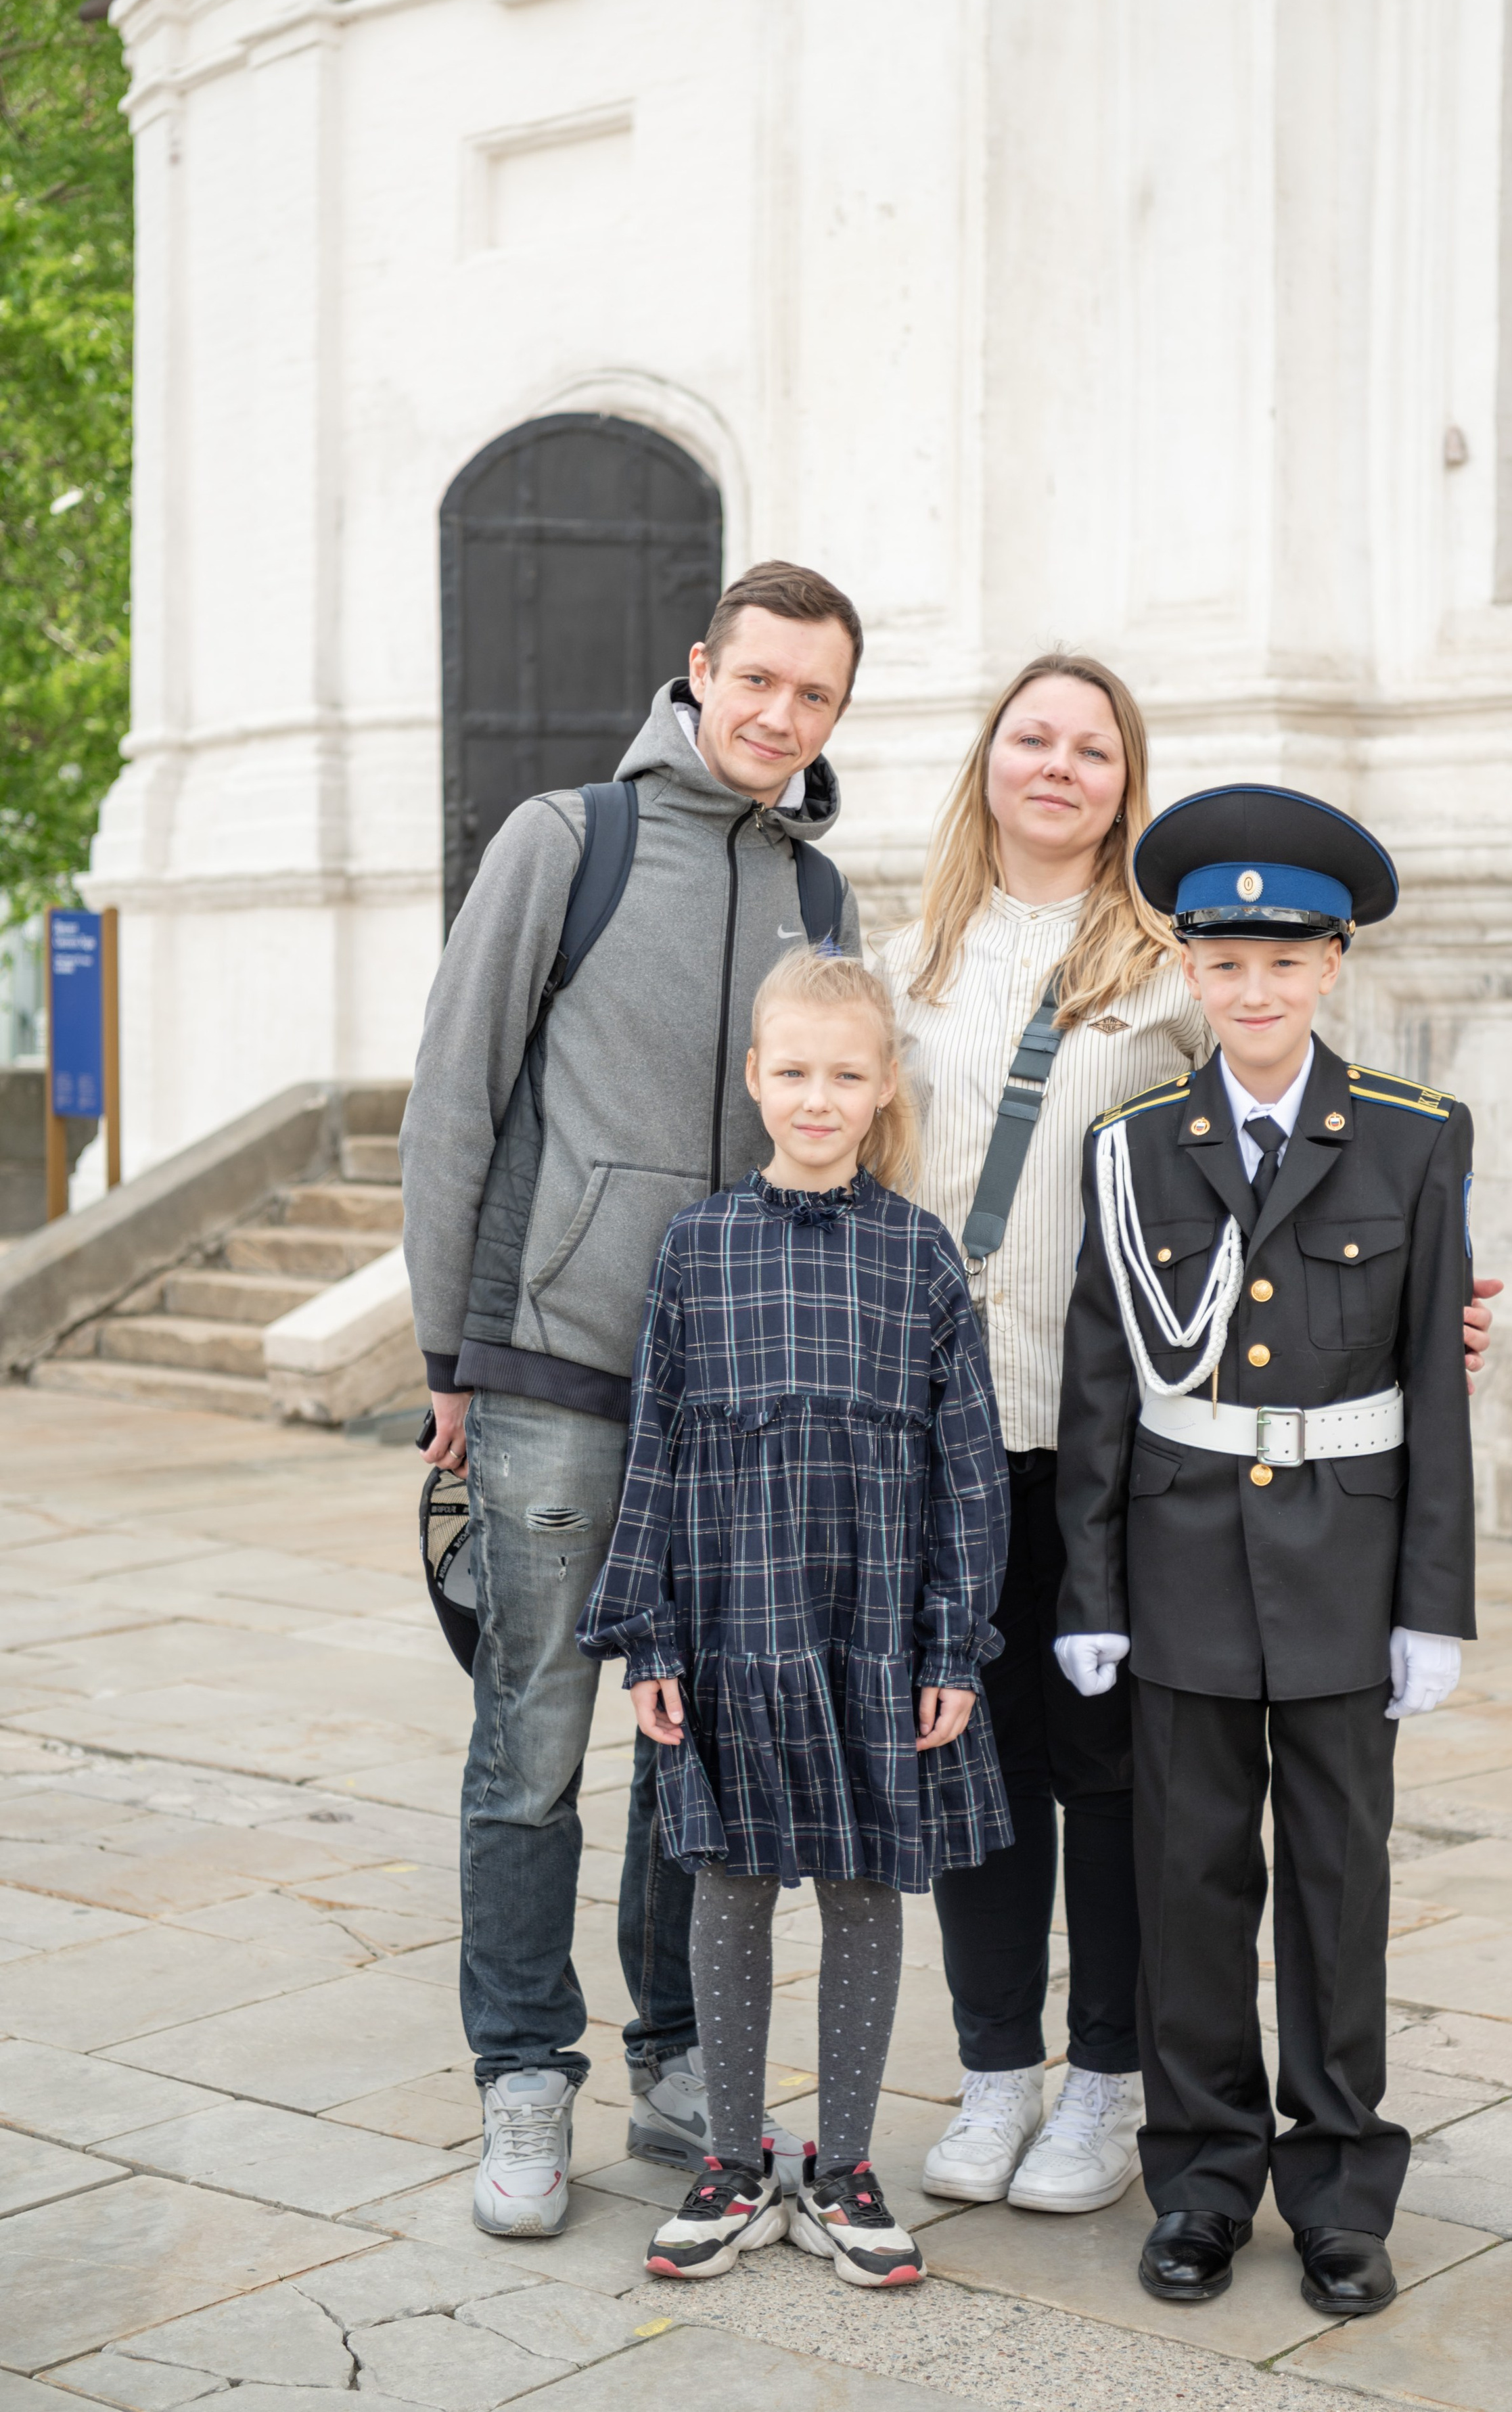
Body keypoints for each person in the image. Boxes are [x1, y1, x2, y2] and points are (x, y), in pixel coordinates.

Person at [878, 659, 1502, 2216]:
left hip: (1216, 1487)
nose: (1058, 765)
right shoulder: (903, 963)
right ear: (985, 761)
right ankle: (1071, 2107)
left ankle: (1162, 2110)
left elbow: (1345, 1246)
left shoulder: (1189, 990)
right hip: (978, 1445)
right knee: (1014, 1785)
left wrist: (1432, 1377)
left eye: (1093, 745)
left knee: (1194, 1823)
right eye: (1031, 735)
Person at [400, 562, 865, 2237]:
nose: (778, 716)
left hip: (739, 1399)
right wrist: (445, 1352)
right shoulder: (564, 839)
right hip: (551, 1374)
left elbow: (836, 1136)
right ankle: (525, 2073)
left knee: (696, 1743)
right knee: (530, 1737)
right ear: (701, 670)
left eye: (812, 696)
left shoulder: (822, 894)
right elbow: (456, 1092)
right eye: (759, 680)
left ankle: (676, 2053)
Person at [1053, 783, 1475, 2319]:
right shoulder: (1132, 1145)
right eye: (1223, 960)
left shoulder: (1415, 1140)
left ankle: (1342, 2186)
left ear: (1332, 967)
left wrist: (1434, 1605)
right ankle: (1204, 2176)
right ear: (1185, 968)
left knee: (1335, 1892)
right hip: (1173, 1568)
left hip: (1343, 1571)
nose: (1252, 989)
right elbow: (1101, 1382)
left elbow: (1432, 1378)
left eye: (1283, 961)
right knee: (1187, 1883)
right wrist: (1087, 1591)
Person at [578, 949, 1011, 2287]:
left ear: (883, 1088)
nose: (815, 1097)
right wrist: (647, 1632)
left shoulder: (921, 1257)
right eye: (792, 1072)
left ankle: (842, 2165)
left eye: (844, 1073)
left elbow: (970, 1468)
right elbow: (651, 1446)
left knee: (865, 1887)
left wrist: (952, 1645)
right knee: (729, 1879)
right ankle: (726, 2159)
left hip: (874, 1625)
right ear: (754, 1078)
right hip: (730, 1626)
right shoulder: (699, 1250)